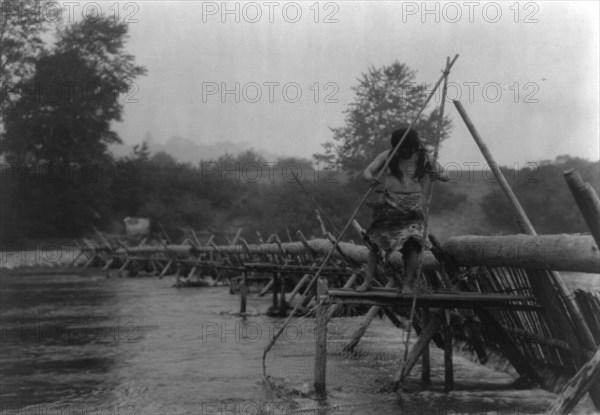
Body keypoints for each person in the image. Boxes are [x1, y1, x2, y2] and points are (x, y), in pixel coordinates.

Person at [356, 127, 448, 293]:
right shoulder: (387, 155)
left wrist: (438, 176)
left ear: (414, 146)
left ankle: (407, 284)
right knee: (376, 244)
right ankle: (367, 281)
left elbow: (445, 173)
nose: (404, 152)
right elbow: (367, 171)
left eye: (407, 148)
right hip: (390, 204)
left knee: (412, 245)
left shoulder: (424, 157)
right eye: (401, 148)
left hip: (414, 206)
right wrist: (370, 178)